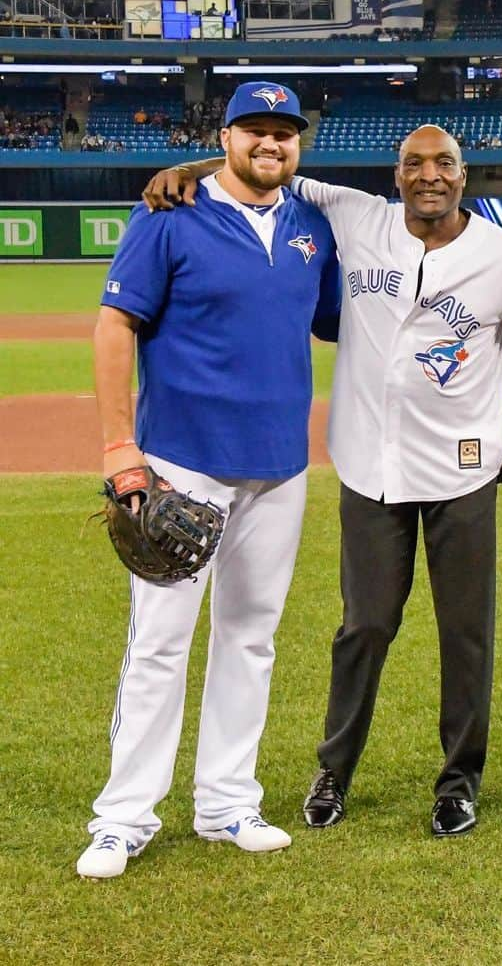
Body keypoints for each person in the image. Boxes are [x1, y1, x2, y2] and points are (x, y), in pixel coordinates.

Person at [142, 125, 502, 838]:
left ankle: (458, 781)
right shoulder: (354, 213)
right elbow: (267, 165)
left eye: (445, 164)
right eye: (414, 164)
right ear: (395, 176)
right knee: (363, 626)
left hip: (462, 471)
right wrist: (189, 166)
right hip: (371, 464)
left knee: (465, 632)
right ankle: (334, 770)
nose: (429, 175)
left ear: (465, 177)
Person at [76, 81, 341, 880]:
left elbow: (334, 320)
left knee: (250, 638)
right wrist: (122, 445)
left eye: (284, 131)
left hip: (279, 467)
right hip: (182, 463)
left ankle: (227, 801)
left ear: (300, 143)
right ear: (223, 138)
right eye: (254, 130)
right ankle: (123, 815)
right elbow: (116, 323)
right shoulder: (168, 215)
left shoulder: (313, 226)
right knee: (159, 643)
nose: (271, 143)